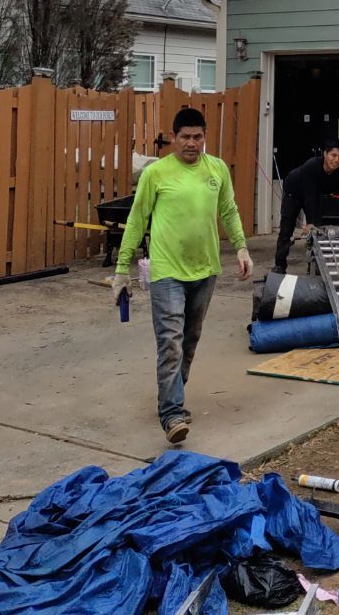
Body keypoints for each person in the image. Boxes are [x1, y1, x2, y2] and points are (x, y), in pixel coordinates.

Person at [112, 107, 251, 444]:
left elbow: (229, 210)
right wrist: (122, 270)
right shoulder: (156, 174)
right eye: (185, 137)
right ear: (173, 138)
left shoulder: (216, 169)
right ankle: (172, 413)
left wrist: (242, 248)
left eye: (198, 137)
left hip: (205, 269)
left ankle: (170, 393)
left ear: (205, 137)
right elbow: (136, 220)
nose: (192, 143)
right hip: (167, 271)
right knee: (170, 341)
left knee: (190, 339)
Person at [274, 138, 339, 273]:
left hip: (316, 193)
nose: (336, 160)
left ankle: (315, 265)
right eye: (333, 155)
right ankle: (280, 266)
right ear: (325, 154)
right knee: (287, 228)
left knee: (317, 229)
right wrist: (309, 222)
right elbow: (309, 196)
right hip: (294, 190)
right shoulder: (312, 166)